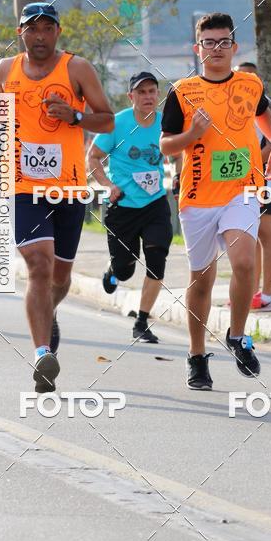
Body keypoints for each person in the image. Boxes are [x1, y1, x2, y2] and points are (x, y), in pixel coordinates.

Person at [160, 12, 271, 390]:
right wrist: (192, 134)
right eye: (209, 43)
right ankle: (197, 356)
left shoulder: (249, 84)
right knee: (202, 280)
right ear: (197, 48)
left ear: (234, 47)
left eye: (223, 42)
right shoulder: (182, 91)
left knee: (245, 262)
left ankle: (236, 335)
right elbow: (166, 146)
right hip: (198, 197)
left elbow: (263, 113)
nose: (216, 49)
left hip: (241, 191)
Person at [0, 2, 114, 394]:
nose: (40, 36)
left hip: (69, 188)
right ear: (20, 33)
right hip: (24, 186)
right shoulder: (4, 71)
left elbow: (108, 119)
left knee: (60, 277)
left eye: (47, 28)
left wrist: (75, 118)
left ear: (58, 32)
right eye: (32, 29)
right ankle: (42, 352)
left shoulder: (77, 69)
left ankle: (48, 313)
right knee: (38, 267)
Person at [88, 71, 174, 344]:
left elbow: (180, 151)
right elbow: (93, 157)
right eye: (142, 92)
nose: (148, 97)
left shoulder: (165, 123)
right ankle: (114, 269)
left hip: (155, 203)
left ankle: (141, 321)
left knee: (157, 258)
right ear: (131, 96)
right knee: (126, 270)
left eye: (152, 91)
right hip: (121, 205)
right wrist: (107, 186)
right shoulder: (117, 123)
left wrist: (181, 177)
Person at [236, 62, 271, 312]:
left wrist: (247, 164)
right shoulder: (230, 104)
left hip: (268, 176)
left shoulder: (265, 104)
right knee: (247, 234)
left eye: (248, 76)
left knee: (266, 231)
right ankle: (249, 293)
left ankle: (268, 294)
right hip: (242, 179)